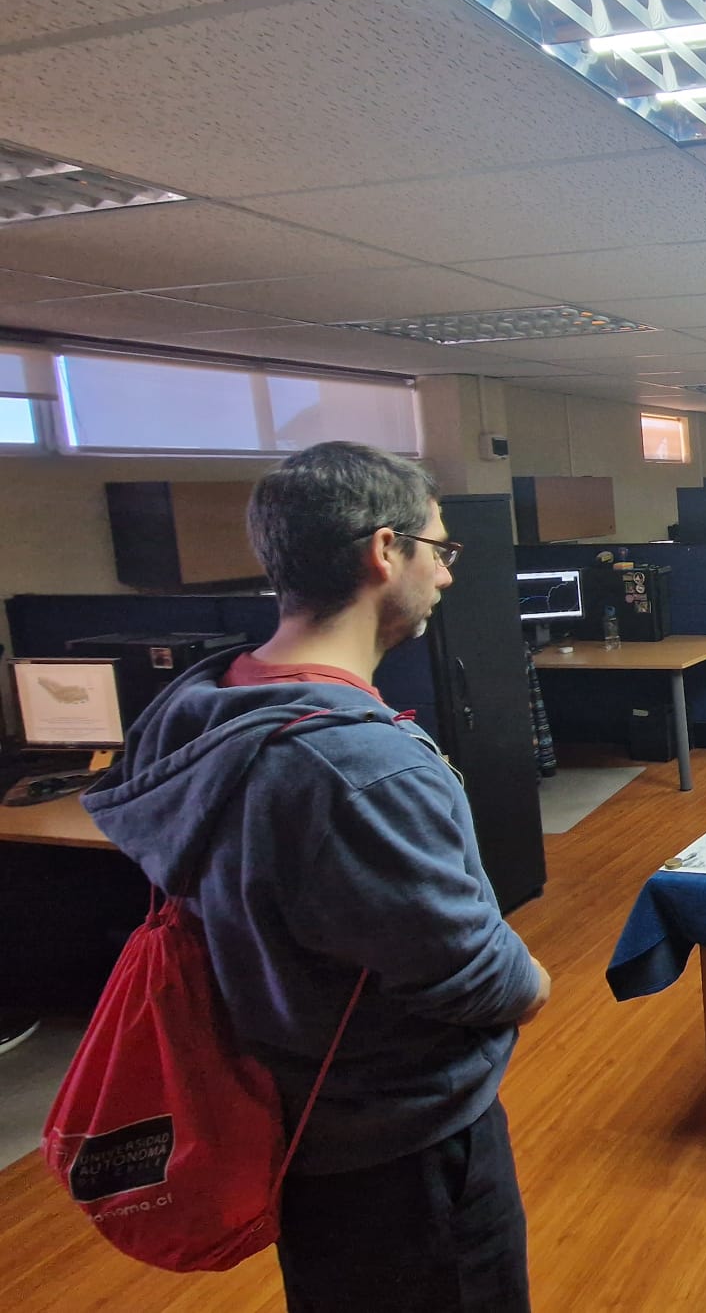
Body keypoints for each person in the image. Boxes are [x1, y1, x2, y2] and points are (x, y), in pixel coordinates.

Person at [82, 440, 551, 1312]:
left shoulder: (198, 708)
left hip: (283, 1119)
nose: (447, 576)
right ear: (384, 551)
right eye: (440, 551)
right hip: (402, 1145)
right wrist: (537, 981)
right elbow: (475, 971)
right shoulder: (362, 768)